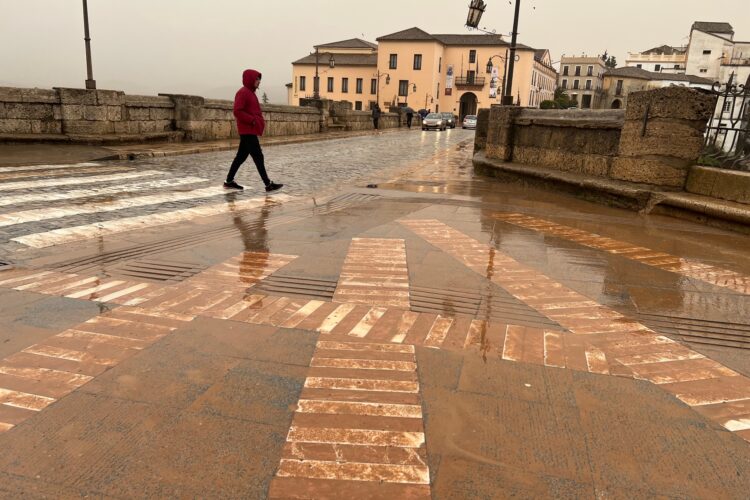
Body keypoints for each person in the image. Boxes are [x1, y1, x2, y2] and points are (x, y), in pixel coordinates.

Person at [224, 69, 283, 192]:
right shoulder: (243, 92)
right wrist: (252, 120)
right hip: (247, 130)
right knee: (258, 156)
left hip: (249, 130)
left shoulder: (250, 92)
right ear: (250, 79)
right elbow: (237, 111)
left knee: (241, 157)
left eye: (259, 79)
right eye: (256, 79)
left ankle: (229, 181)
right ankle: (268, 184)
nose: (259, 81)